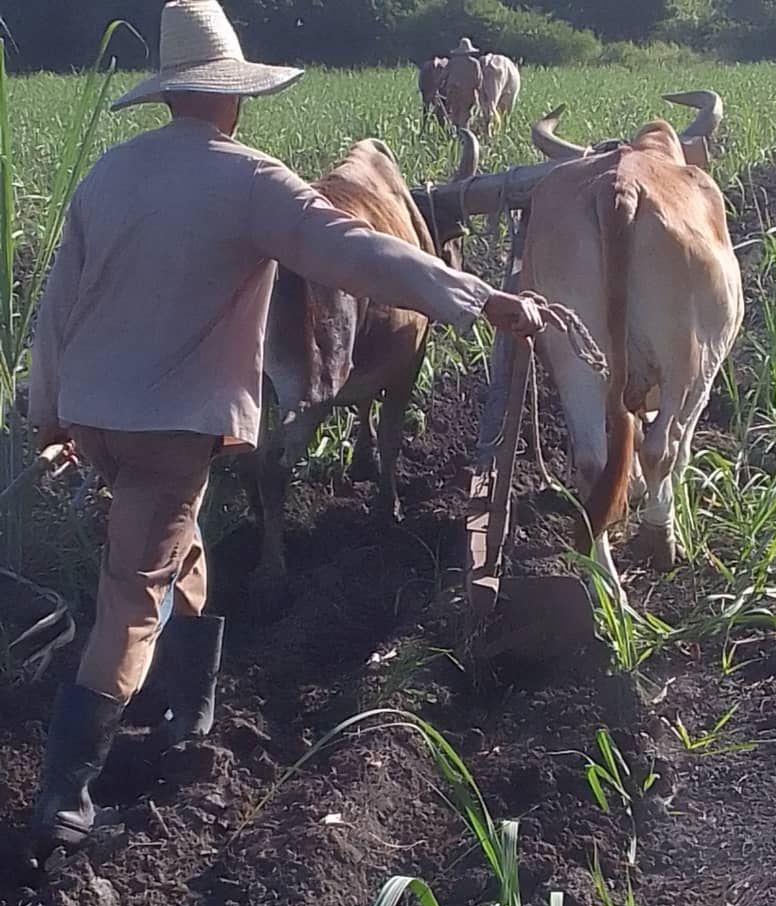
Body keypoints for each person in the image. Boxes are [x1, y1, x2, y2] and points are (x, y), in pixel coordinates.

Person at [27, 0, 560, 861]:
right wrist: (475, 297)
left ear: (170, 96)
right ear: (233, 98)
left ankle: (187, 717)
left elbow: (57, 307)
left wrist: (47, 412)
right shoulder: (249, 179)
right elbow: (356, 252)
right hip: (171, 425)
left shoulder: (110, 176)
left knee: (177, 554)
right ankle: (66, 803)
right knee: (130, 605)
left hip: (96, 415)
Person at [445, 37, 483, 130]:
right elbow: (479, 80)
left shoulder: (452, 62)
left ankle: (454, 134)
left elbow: (444, 76)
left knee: (454, 115)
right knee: (465, 117)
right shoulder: (475, 63)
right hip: (468, 95)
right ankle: (464, 136)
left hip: (453, 94)